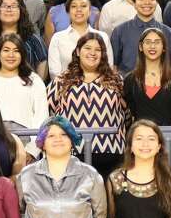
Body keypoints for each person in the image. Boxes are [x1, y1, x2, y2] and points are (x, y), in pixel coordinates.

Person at [47, 33, 126, 176]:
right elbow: (49, 114)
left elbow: (127, 114)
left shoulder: (117, 80)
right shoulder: (61, 81)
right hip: (72, 153)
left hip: (111, 151)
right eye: (87, 48)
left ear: (103, 54)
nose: (92, 53)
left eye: (98, 50)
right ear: (78, 51)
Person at [0, 33, 49, 146]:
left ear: (22, 55)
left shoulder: (34, 80)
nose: (11, 55)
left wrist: (32, 150)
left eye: (16, 51)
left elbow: (42, 118)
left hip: (26, 142)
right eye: (6, 50)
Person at [123, 28, 171, 127]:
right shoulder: (130, 80)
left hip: (169, 139)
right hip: (140, 138)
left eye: (157, 42)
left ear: (164, 48)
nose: (152, 46)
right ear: (141, 47)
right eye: (148, 42)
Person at [111, 0, 171, 74]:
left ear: (157, 3)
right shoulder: (120, 31)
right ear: (134, 3)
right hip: (126, 83)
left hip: (158, 83)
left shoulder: (167, 32)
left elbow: (169, 64)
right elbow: (114, 64)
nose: (147, 2)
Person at [48, 0, 113, 80]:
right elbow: (54, 72)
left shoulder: (102, 37)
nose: (79, 10)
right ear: (68, 12)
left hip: (98, 89)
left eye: (83, 6)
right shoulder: (58, 38)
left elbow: (109, 67)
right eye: (74, 6)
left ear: (90, 11)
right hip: (65, 88)